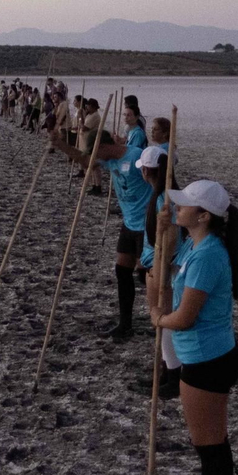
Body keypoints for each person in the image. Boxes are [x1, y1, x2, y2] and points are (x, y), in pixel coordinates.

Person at [147, 179, 238, 475]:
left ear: (204, 216)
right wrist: (163, 229)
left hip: (207, 359)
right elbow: (163, 268)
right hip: (205, 356)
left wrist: (157, 318)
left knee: (211, 447)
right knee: (211, 443)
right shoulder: (197, 244)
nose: (178, 208)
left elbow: (184, 317)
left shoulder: (208, 256)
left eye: (185, 206)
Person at [48, 116, 151, 339]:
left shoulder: (136, 157)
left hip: (146, 225)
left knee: (147, 276)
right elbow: (85, 161)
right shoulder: (107, 159)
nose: (94, 157)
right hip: (128, 224)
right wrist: (61, 145)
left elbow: (159, 182)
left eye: (95, 151)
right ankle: (126, 324)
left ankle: (161, 320)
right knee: (122, 272)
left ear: (104, 146)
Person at [135, 145, 182, 399]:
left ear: (146, 171)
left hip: (164, 265)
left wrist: (159, 272)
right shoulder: (163, 194)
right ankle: (166, 372)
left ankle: (172, 376)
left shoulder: (165, 199)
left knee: (163, 321)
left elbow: (171, 238)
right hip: (158, 263)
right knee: (161, 322)